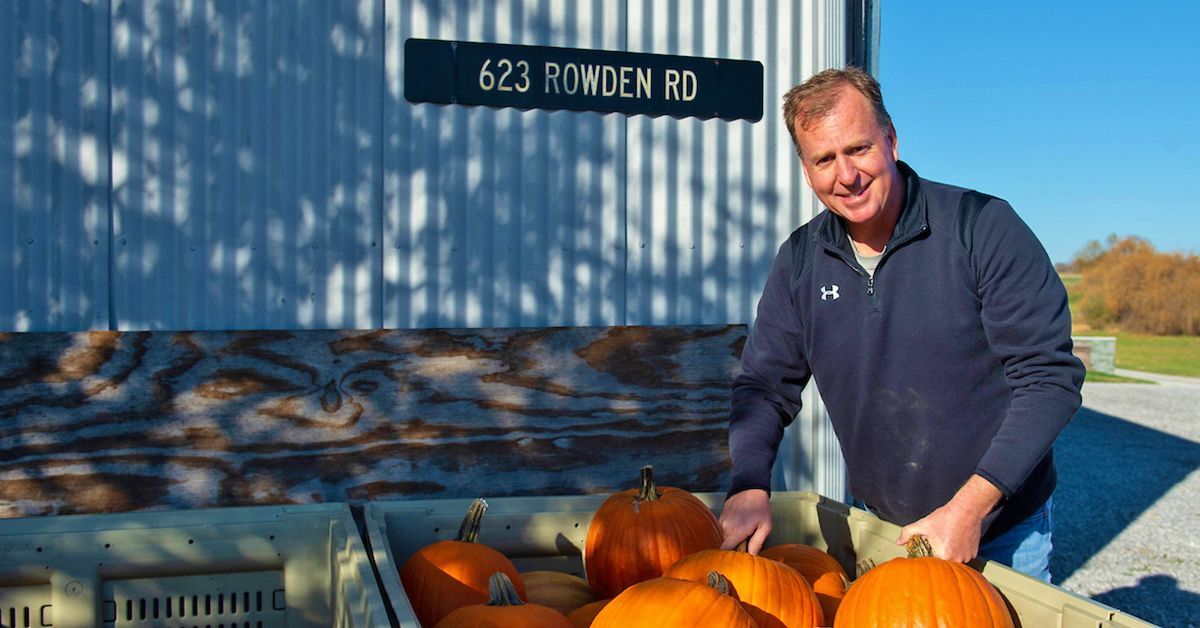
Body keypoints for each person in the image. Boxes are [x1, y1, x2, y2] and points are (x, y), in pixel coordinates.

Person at [718, 67, 1084, 581]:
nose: (846, 175)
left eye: (858, 149)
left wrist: (971, 507)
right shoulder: (801, 260)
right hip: (883, 525)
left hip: (999, 524)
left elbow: (1049, 379)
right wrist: (750, 483)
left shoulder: (981, 228)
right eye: (824, 159)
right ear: (807, 170)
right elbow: (764, 386)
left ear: (890, 139)